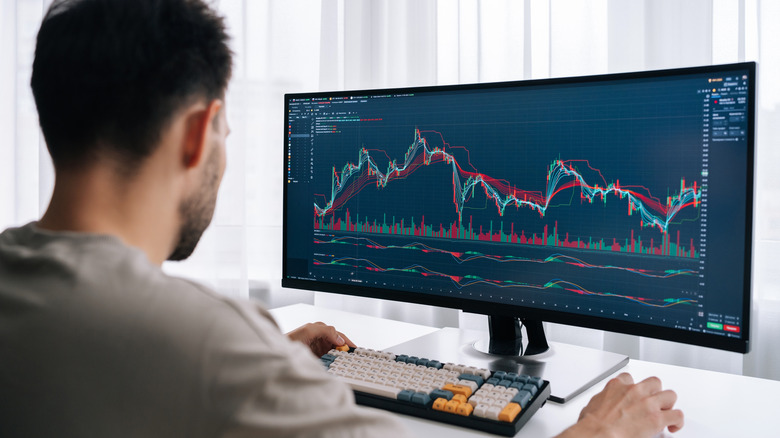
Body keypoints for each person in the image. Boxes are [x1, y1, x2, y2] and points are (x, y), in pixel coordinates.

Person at [0, 0, 684, 437]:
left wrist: (263, 363)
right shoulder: (209, 344)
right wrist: (599, 433)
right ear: (197, 131)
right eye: (228, 131)